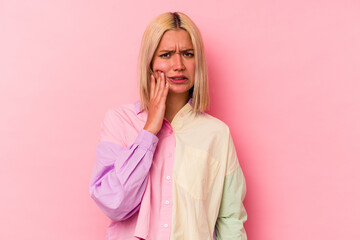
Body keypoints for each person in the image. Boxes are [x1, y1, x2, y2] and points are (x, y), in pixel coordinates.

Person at [89, 12, 247, 240]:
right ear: (150, 63)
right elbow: (113, 203)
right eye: (166, 55)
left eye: (187, 54)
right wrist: (149, 132)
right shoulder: (119, 122)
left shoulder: (217, 134)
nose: (179, 65)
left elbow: (230, 221)